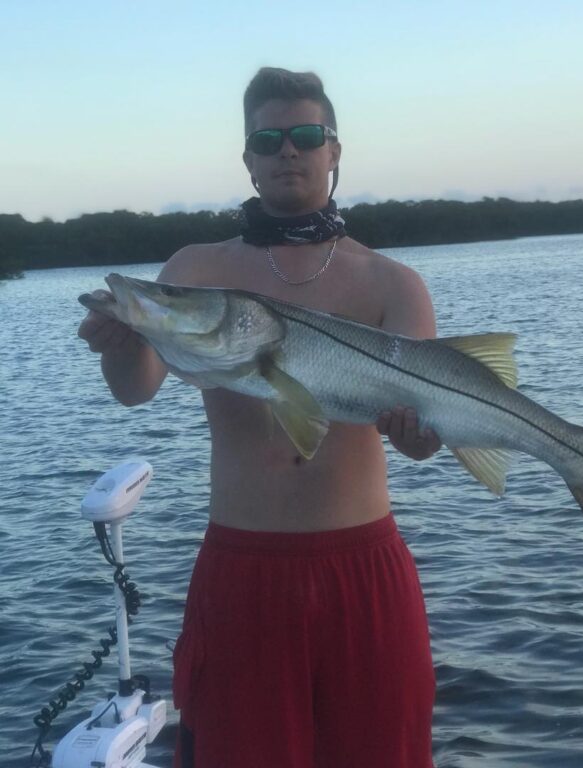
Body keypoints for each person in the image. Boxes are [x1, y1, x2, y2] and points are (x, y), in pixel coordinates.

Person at [78, 67, 441, 767]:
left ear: (335, 151)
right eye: (268, 139)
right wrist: (120, 345)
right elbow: (135, 389)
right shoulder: (196, 268)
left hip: (364, 568)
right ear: (247, 159)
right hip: (241, 571)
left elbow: (423, 442)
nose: (288, 152)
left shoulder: (392, 282)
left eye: (306, 136)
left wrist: (418, 432)